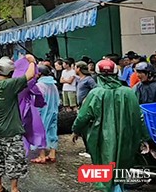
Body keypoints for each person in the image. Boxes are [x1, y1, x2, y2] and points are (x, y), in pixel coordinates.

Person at [72, 59, 148, 192]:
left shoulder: (95, 93)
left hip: (101, 138)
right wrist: (144, 138)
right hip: (126, 137)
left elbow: (83, 116)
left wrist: (76, 130)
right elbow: (138, 117)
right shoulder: (128, 92)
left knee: (105, 168)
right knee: (122, 168)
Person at [0, 55, 37, 192]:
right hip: (11, 130)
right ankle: (14, 188)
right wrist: (31, 61)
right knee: (14, 160)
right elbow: (30, 74)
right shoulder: (9, 85)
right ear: (9, 73)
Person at [32, 64, 59, 164]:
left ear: (39, 74)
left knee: (40, 133)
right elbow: (57, 100)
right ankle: (52, 154)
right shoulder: (53, 85)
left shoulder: (39, 86)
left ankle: (42, 156)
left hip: (41, 112)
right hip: (53, 111)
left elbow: (36, 101)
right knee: (52, 132)